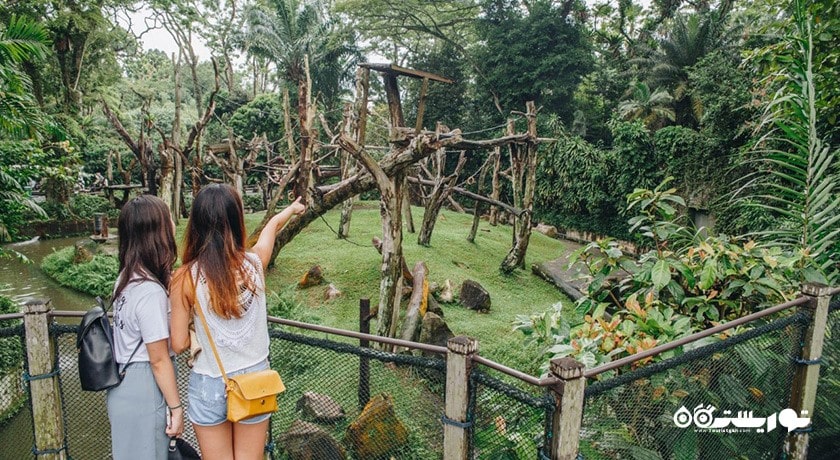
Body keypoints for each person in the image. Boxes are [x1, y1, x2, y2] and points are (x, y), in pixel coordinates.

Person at [170, 184, 305, 460]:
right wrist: (290, 210)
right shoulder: (255, 264)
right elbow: (269, 232)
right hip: (256, 381)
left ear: (196, 224)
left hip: (209, 383)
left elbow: (179, 343)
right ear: (237, 221)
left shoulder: (184, 279)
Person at [108, 195, 184, 459]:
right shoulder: (150, 292)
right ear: (156, 232)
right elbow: (159, 359)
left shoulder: (126, 278)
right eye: (169, 219)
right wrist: (176, 408)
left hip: (122, 386)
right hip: (145, 390)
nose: (174, 224)